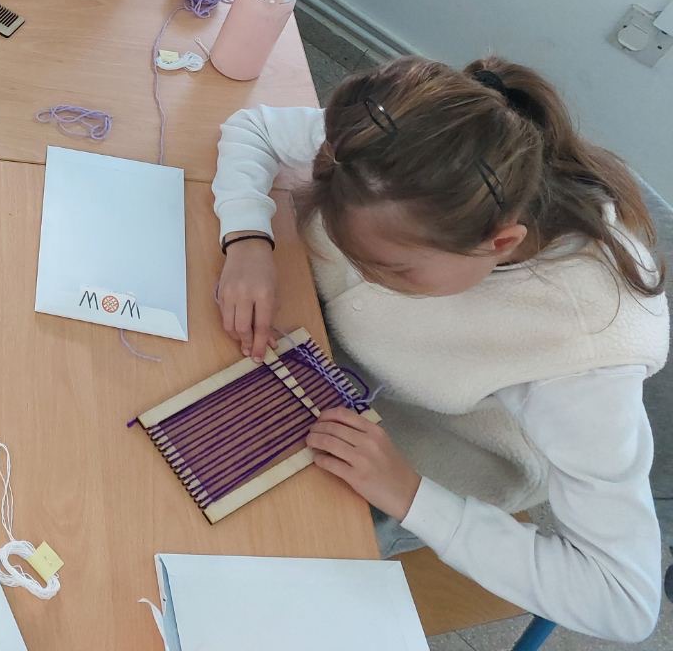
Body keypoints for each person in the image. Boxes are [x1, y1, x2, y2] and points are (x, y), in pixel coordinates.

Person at [213, 55, 668, 641]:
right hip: (357, 374)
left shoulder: (581, 361)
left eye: (395, 269)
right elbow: (254, 129)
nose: (370, 279)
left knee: (260, 571)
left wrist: (412, 495)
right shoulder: (399, 155)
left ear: (499, 243)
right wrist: (248, 239)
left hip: (439, 455)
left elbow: (623, 602)